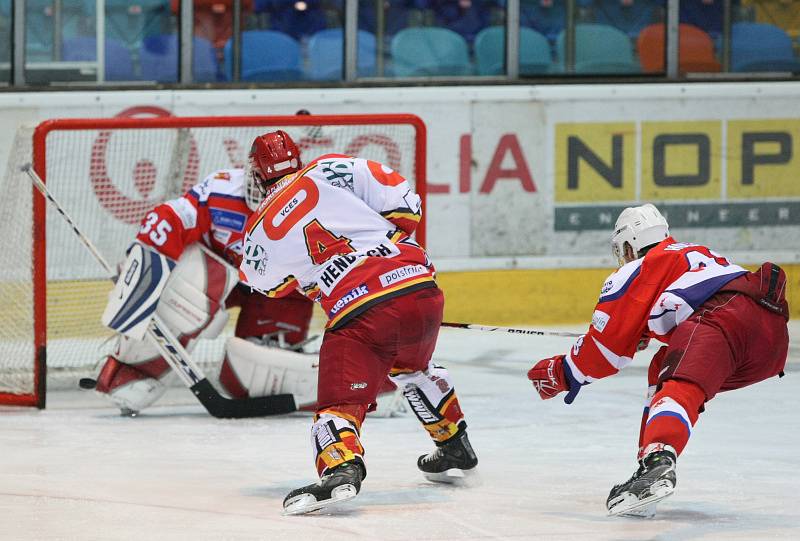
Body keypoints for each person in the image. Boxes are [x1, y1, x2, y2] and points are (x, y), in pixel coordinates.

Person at [239, 130, 478, 515]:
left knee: (339, 404)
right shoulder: (332, 167)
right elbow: (407, 206)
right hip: (421, 288)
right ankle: (454, 446)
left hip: (361, 313)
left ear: (257, 174)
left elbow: (266, 286)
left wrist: (318, 274)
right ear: (296, 159)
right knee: (412, 369)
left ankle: (340, 469)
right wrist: (380, 250)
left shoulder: (256, 229)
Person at [527, 203, 789, 517]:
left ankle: (658, 461)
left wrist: (561, 371)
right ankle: (649, 466)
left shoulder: (641, 266)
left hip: (723, 321)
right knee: (664, 366)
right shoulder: (692, 253)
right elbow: (686, 303)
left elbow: (605, 351)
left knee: (681, 388)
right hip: (771, 340)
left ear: (628, 245)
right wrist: (642, 331)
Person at [95, 164, 315, 416]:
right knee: (191, 284)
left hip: (277, 295)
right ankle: (136, 374)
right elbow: (172, 217)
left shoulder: (315, 206)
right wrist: (145, 256)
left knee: (251, 373)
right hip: (215, 275)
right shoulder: (222, 191)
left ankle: (339, 387)